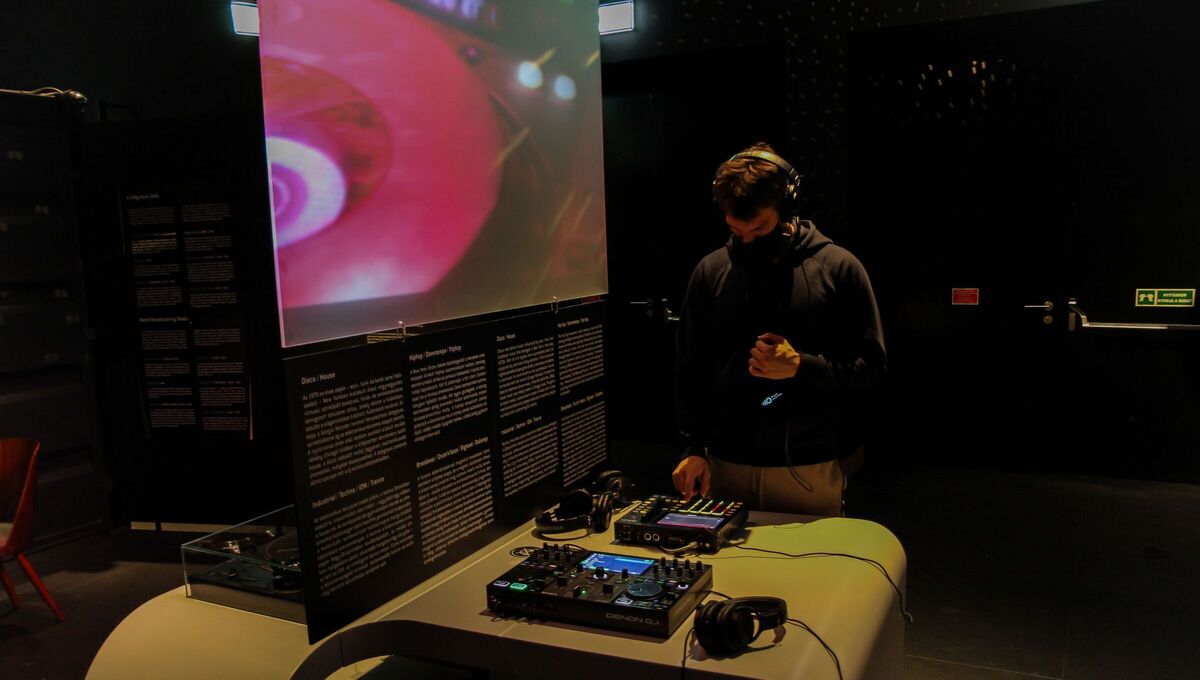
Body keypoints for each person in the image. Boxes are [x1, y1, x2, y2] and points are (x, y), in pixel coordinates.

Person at [672, 143, 886, 516]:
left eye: (760, 228)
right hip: (725, 464)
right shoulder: (711, 271)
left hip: (808, 467)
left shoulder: (838, 268)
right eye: (736, 230)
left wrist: (801, 366)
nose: (747, 240)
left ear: (787, 208)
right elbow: (690, 368)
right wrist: (692, 448)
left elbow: (872, 367)